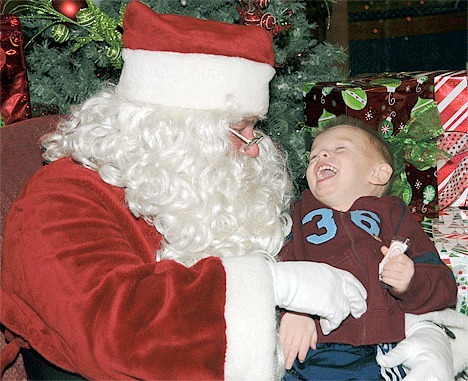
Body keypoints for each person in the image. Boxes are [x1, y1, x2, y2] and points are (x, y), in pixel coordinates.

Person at [0, 2, 368, 380]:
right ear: (171, 130)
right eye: (239, 129)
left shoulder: (205, 191)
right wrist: (274, 285)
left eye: (253, 129)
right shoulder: (60, 198)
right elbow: (118, 330)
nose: (254, 147)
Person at [279, 115, 458, 380]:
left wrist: (410, 282)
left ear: (378, 173)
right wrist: (292, 310)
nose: (321, 155)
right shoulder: (298, 212)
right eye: (313, 156)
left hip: (379, 345)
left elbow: (444, 286)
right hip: (310, 345)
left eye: (340, 148)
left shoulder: (392, 213)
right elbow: (280, 267)